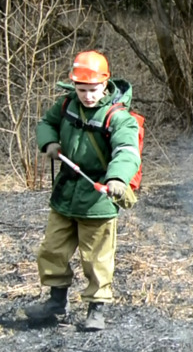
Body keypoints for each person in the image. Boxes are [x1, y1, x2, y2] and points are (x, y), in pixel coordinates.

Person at [25, 50, 141, 331]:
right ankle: (56, 303)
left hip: (98, 197)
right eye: (82, 89)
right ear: (73, 85)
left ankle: (95, 310)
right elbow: (47, 123)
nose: (88, 95)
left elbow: (127, 151)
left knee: (97, 257)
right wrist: (49, 142)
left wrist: (116, 178)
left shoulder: (119, 117)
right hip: (65, 193)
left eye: (93, 89)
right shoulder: (66, 104)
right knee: (52, 249)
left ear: (105, 84)